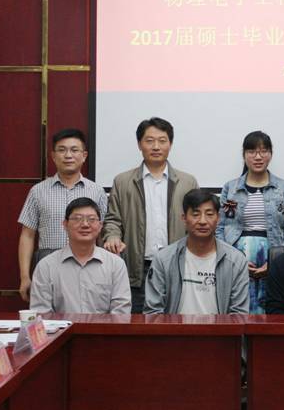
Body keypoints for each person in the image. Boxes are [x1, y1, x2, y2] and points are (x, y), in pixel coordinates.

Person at [102, 117, 199, 313]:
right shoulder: (122, 181)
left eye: (162, 141)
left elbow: (197, 222)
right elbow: (113, 219)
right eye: (149, 141)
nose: (156, 146)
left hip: (177, 266)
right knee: (138, 324)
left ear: (170, 144)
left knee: (175, 323)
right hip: (138, 269)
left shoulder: (188, 182)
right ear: (139, 144)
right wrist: (112, 236)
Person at [17, 128, 108, 302]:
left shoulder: (97, 191)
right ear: (53, 156)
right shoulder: (38, 191)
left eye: (74, 150)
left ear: (84, 155)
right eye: (62, 150)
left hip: (87, 264)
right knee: (46, 314)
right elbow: (27, 235)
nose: (68, 155)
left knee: (88, 311)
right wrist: (25, 276)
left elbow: (102, 234)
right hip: (48, 263)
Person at [216, 131, 284, 314]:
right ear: (244, 155)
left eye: (263, 151)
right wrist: (233, 258)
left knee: (271, 307)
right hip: (235, 256)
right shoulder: (231, 188)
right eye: (252, 151)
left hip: (274, 254)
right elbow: (220, 228)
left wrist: (277, 259)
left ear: (271, 154)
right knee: (237, 306)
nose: (258, 156)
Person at [144, 190, 249, 314]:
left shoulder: (236, 261)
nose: (202, 221)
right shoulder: (163, 259)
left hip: (220, 327)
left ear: (218, 218)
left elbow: (239, 314)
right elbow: (153, 312)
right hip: (174, 327)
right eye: (195, 214)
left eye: (209, 214)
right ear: (184, 218)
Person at [30, 197, 131, 314]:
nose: (85, 224)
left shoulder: (116, 265)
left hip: (104, 327)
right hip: (61, 327)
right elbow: (41, 313)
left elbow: (120, 312)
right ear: (65, 224)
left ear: (100, 226)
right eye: (77, 219)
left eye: (91, 219)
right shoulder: (46, 266)